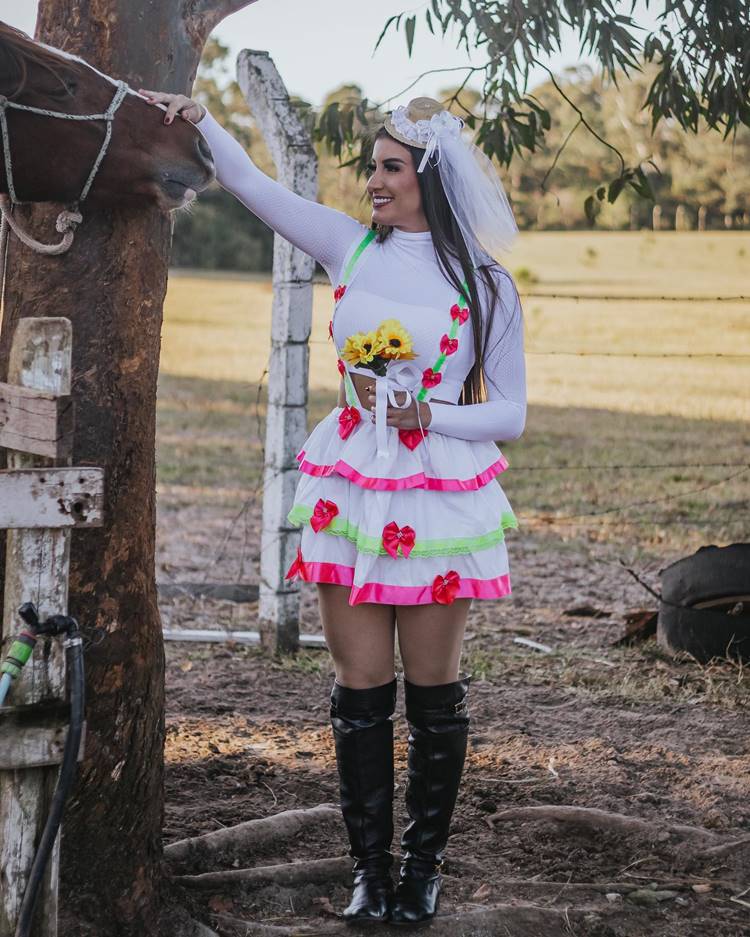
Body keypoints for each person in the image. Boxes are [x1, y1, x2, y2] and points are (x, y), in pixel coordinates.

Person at [139, 88, 526, 926]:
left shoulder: (486, 283)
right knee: (360, 690)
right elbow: (249, 184)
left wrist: (430, 413)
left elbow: (512, 412)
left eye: (390, 169)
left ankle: (423, 869)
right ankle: (369, 872)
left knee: (434, 693)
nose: (374, 183)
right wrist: (201, 117)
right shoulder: (347, 247)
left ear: (430, 179)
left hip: (438, 498)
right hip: (352, 484)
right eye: (373, 168)